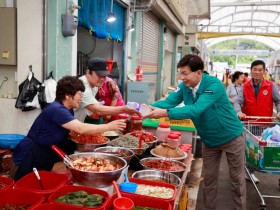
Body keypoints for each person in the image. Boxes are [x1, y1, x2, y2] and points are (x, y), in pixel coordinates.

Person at [143, 54, 246, 210]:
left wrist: (165, 113)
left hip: (231, 136)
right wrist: (147, 108)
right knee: (209, 180)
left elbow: (197, 109)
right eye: (180, 73)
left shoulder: (214, 84)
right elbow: (170, 101)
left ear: (199, 73)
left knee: (237, 181)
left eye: (185, 73)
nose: (182, 77)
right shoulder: (185, 86)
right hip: (209, 140)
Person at [12, 76, 126, 181]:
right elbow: (81, 128)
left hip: (46, 152)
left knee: (41, 182)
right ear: (68, 95)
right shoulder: (57, 109)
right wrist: (109, 126)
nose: (81, 98)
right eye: (79, 94)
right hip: (32, 152)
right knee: (23, 184)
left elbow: (72, 130)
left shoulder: (68, 109)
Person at [234, 60, 280, 183]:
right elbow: (238, 101)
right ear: (251, 70)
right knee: (250, 149)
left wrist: (279, 112)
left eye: (260, 70)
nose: (257, 72)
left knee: (263, 149)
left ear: (264, 71)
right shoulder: (245, 86)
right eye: (255, 69)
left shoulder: (270, 86)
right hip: (249, 123)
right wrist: (239, 112)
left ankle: (258, 168)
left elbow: (278, 101)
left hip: (265, 124)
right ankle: (250, 172)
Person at [74, 57, 140, 123]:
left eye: (104, 75)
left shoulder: (95, 85)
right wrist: (124, 109)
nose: (102, 79)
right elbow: (97, 109)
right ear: (88, 72)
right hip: (71, 125)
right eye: (99, 75)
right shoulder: (82, 86)